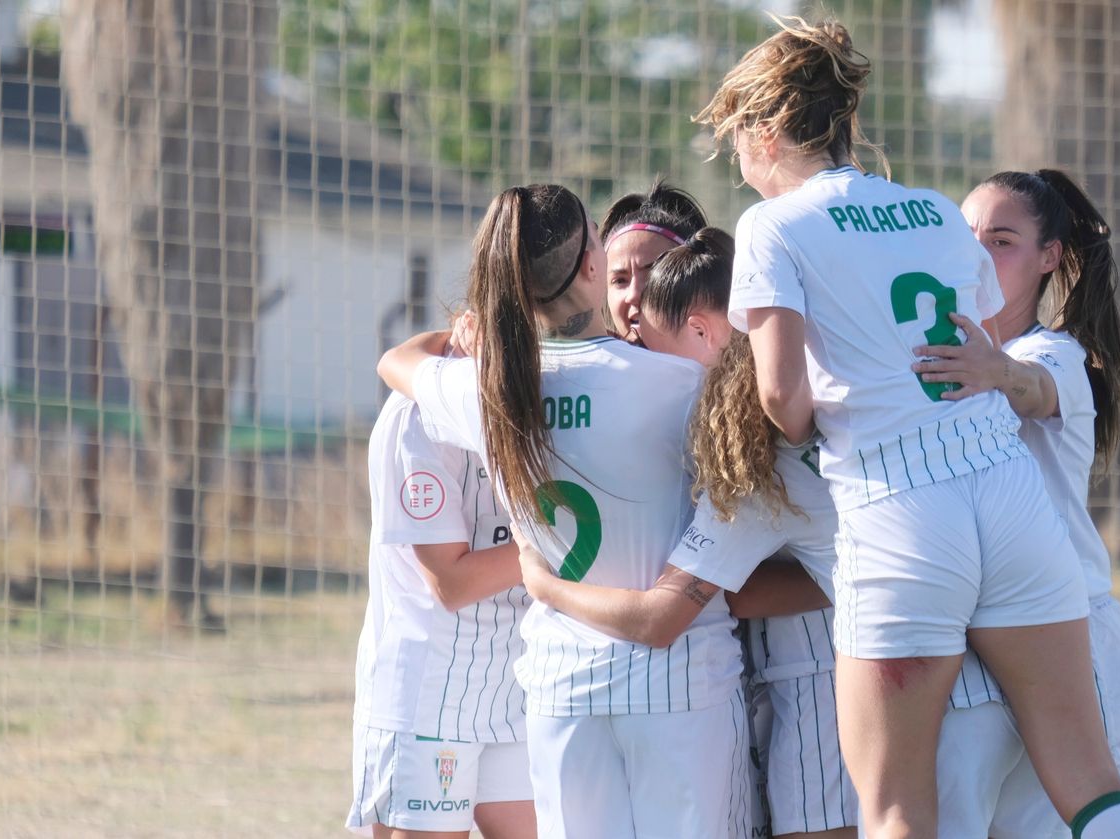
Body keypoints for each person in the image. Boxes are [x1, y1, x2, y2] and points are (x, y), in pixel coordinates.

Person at [695, 16, 1120, 839]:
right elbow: (977, 332)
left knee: (898, 810)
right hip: (1009, 493)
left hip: (898, 506)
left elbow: (780, 397)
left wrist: (809, 425)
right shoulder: (933, 210)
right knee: (1091, 783)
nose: (739, 157)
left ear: (766, 130)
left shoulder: (774, 225)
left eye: (737, 136)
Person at [376, 184, 750, 839]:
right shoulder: (677, 384)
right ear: (590, 267)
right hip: (678, 684)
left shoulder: (488, 392)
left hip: (560, 686)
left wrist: (473, 330)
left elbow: (397, 361)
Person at [513, 227, 859, 839]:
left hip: (843, 669)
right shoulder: (835, 386)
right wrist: (871, 575)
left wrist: (544, 585)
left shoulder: (753, 470)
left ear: (702, 330)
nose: (636, 357)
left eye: (646, 345)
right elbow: (745, 589)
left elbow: (660, 618)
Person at [915, 170, 1120, 839]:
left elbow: (1032, 385)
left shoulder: (1054, 353)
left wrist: (996, 372)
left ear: (1049, 258)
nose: (977, 252)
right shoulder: (938, 353)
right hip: (977, 636)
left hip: (1075, 634)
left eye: (1003, 239)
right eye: (966, 235)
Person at [346, 387, 535, 839]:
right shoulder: (421, 411)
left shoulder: (559, 387)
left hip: (517, 685)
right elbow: (452, 583)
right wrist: (574, 541)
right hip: (429, 694)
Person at [599, 180, 709, 344]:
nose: (634, 295)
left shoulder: (745, 365)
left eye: (653, 275)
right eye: (620, 280)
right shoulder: (587, 368)